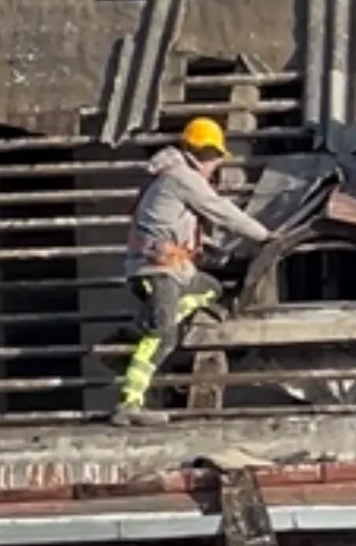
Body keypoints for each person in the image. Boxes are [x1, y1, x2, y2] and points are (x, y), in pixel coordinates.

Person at [115, 118, 273, 427]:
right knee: (163, 335)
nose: (215, 165)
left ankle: (160, 318)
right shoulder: (182, 177)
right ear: (204, 153)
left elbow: (181, 226)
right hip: (157, 270)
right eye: (215, 158)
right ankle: (128, 403)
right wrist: (264, 236)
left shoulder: (172, 176)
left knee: (210, 288)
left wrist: (212, 248)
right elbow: (221, 211)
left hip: (175, 269)